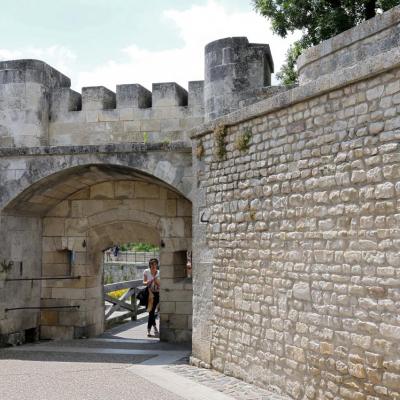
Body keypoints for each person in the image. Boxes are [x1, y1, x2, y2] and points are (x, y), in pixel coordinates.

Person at [143, 258, 160, 337]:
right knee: (151, 311)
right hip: (149, 293)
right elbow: (144, 282)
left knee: (152, 312)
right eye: (152, 264)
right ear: (149, 265)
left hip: (157, 293)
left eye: (155, 264)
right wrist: (149, 281)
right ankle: (153, 328)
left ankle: (150, 329)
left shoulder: (159, 273)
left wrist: (157, 282)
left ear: (157, 264)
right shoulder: (146, 271)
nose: (153, 266)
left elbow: (161, 284)